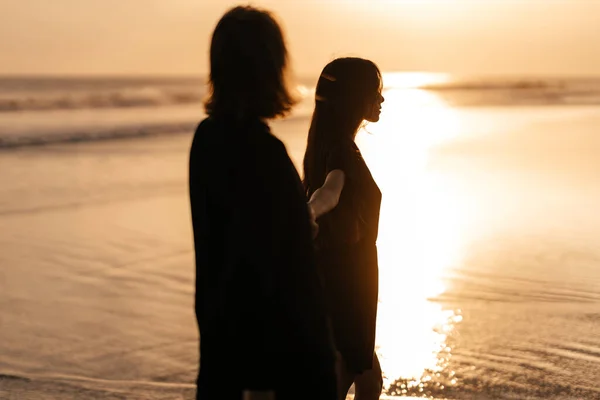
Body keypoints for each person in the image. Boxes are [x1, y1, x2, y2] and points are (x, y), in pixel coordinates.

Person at [189, 6, 337, 400]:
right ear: (273, 66)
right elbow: (265, 265)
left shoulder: (207, 139)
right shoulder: (262, 152)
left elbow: (226, 240)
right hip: (279, 360)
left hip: (222, 343)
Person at [303, 57, 385, 400]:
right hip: (348, 283)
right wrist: (308, 213)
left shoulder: (330, 143)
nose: (381, 99)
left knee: (369, 378)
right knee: (347, 375)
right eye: (375, 91)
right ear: (355, 96)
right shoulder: (341, 151)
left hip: (348, 278)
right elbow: (329, 192)